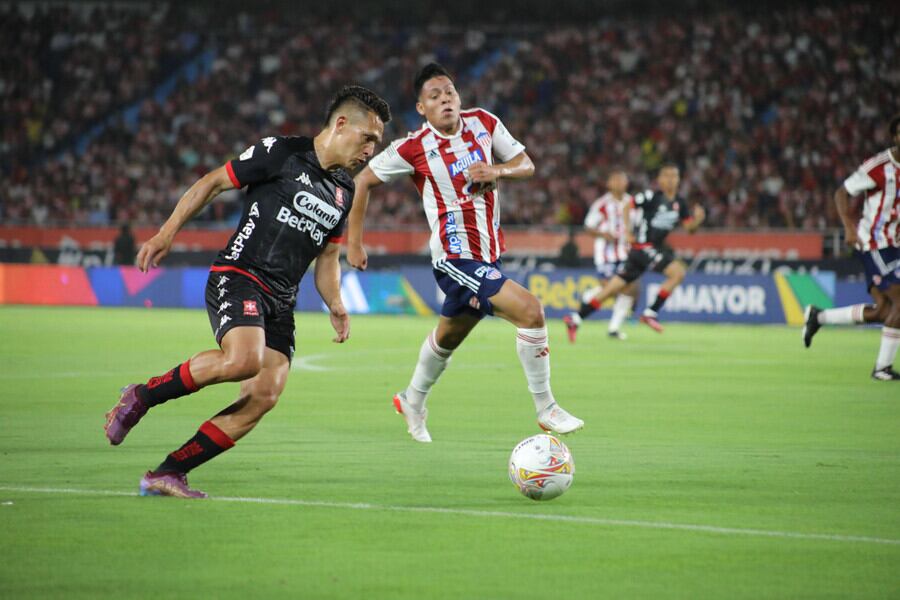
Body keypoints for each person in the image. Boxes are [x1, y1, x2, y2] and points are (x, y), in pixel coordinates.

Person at [103, 86, 391, 497]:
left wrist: (336, 303)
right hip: (239, 274)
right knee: (244, 360)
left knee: (264, 394)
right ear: (341, 124)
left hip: (281, 300)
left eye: (376, 144)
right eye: (368, 138)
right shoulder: (282, 153)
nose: (370, 150)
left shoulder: (343, 192)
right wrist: (167, 234)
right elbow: (213, 182)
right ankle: (143, 395)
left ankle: (167, 472)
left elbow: (327, 259)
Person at [347, 63, 583, 443]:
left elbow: (526, 164)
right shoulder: (414, 146)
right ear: (421, 108)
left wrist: (496, 171)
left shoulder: (484, 123)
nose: (445, 100)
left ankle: (411, 399)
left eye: (450, 93)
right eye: (435, 96)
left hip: (488, 254)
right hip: (455, 258)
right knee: (531, 311)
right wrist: (353, 243)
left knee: (448, 337)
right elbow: (363, 181)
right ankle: (546, 407)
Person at [803, 113, 900, 381]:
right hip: (875, 244)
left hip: (896, 246)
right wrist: (848, 226)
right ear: (895, 137)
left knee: (884, 310)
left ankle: (818, 318)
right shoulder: (878, 166)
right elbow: (842, 193)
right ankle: (882, 369)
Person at [565, 164, 704, 339]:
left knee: (612, 290)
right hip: (644, 247)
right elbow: (627, 206)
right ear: (659, 180)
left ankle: (576, 318)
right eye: (666, 176)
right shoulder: (651, 196)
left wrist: (698, 220)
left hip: (634, 252)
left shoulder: (680, 203)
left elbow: (689, 228)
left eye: (674, 176)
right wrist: (628, 231)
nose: (670, 180)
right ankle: (651, 312)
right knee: (678, 273)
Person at [563, 168, 638, 341]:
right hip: (606, 254)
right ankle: (589, 300)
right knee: (612, 288)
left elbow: (637, 225)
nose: (620, 183)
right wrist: (603, 235)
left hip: (626, 253)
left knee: (629, 288)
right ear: (609, 184)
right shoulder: (602, 204)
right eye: (616, 179)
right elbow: (588, 226)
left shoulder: (633, 203)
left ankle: (613, 327)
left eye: (622, 179)